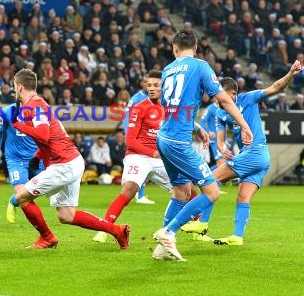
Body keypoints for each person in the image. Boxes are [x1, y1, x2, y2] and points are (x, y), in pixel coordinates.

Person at [153, 28, 253, 261]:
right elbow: (225, 99)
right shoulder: (200, 66)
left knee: (181, 192)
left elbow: (171, 107)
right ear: (196, 48)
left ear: (174, 48)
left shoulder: (168, 70)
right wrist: (245, 126)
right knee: (212, 191)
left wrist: (196, 127)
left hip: (164, 138)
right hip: (178, 141)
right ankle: (169, 232)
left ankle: (161, 249)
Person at [182, 61, 301, 246]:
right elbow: (220, 142)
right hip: (257, 157)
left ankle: (202, 223)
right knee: (243, 196)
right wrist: (222, 149)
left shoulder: (248, 99)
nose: (217, 99)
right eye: (216, 96)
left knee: (210, 180)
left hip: (256, 152)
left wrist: (291, 73)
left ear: (233, 94)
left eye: (220, 95)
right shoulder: (220, 113)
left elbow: (275, 87)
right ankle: (237, 237)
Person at [10, 68, 130, 249]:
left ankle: (47, 238)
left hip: (63, 163)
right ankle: (117, 231)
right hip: (72, 160)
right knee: (66, 215)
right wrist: (38, 156)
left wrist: (18, 125)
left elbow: (43, 135)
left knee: (22, 197)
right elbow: (52, 136)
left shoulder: (32, 106)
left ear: (19, 87)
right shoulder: (40, 104)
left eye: (14, 86)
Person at [93, 70, 180, 244]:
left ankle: (198, 229)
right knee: (129, 189)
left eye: (156, 85)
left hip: (160, 158)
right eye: (149, 85)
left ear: (165, 87)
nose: (152, 88)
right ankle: (104, 229)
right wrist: (152, 153)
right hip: (138, 156)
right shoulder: (139, 108)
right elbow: (130, 140)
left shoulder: (170, 109)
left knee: (187, 191)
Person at [0, 103, 43, 224]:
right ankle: (43, 231)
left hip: (36, 157)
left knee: (47, 187)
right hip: (15, 158)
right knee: (21, 192)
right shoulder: (8, 111)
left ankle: (13, 201)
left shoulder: (40, 110)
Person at [122, 75, 156, 204]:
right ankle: (138, 195)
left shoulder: (154, 98)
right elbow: (126, 116)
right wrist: (128, 134)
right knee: (139, 165)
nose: (148, 85)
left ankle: (138, 194)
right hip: (137, 137)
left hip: (149, 136)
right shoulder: (136, 98)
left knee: (144, 165)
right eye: (145, 82)